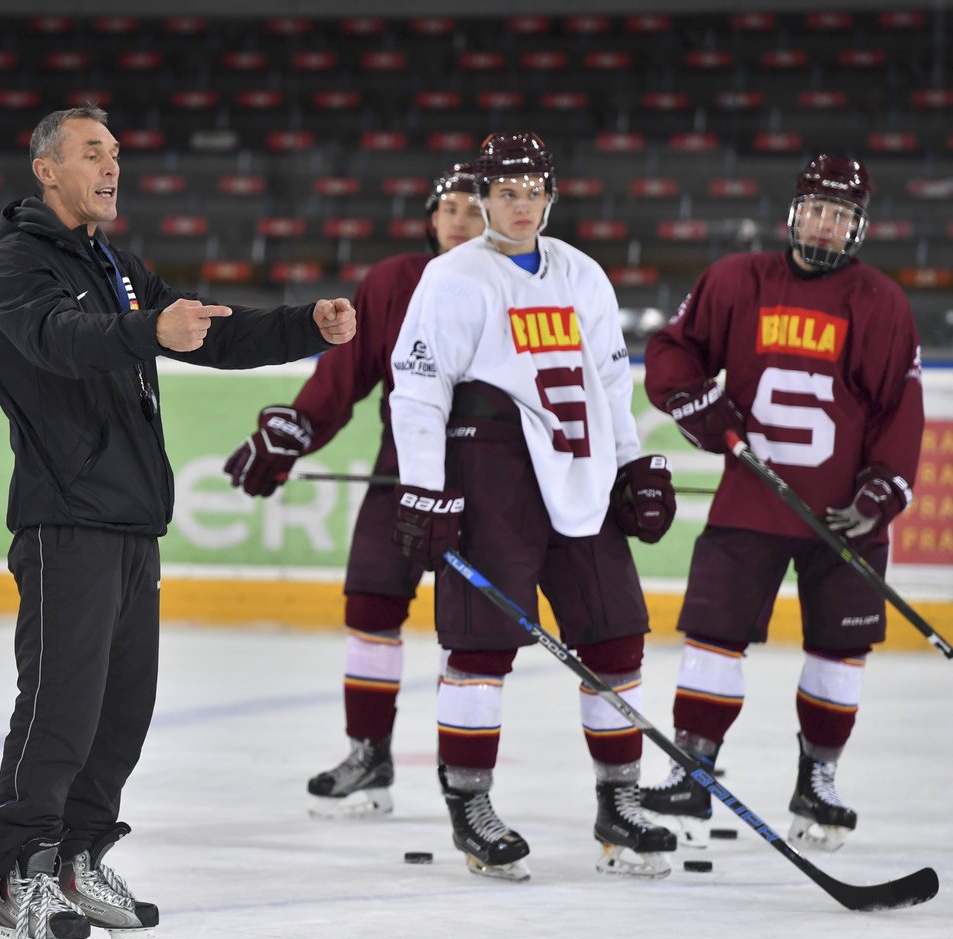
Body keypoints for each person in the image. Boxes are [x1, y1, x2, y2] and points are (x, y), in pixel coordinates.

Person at [0, 106, 355, 939]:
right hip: (65, 519)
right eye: (93, 153)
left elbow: (203, 329)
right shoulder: (12, 269)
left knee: (120, 715)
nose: (113, 166)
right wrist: (147, 329)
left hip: (131, 521)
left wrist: (306, 327)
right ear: (46, 170)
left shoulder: (113, 264)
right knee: (58, 713)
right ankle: (19, 882)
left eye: (117, 151)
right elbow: (62, 343)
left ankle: (76, 862)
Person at [388, 132, 679, 882]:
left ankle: (619, 802)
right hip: (491, 476)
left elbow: (611, 383)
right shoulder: (454, 277)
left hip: (581, 474)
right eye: (506, 193)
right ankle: (471, 808)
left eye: (533, 191)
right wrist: (425, 485)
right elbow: (419, 390)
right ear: (483, 198)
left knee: (616, 639)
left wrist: (634, 461)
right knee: (481, 647)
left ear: (552, 194)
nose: (521, 206)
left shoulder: (582, 273)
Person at [641, 154, 924, 852]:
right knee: (713, 638)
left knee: (839, 650)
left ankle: (818, 780)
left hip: (843, 515)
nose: (826, 227)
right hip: (752, 498)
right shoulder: (737, 279)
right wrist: (699, 404)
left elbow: (900, 410)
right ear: (795, 213)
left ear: (858, 228)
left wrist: (881, 489)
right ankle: (694, 770)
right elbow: (674, 351)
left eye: (842, 216)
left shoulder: (882, 302)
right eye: (818, 211)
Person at [223, 163, 483, 818]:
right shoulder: (393, 282)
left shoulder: (511, 286)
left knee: (475, 634)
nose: (460, 221)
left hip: (489, 483)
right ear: (430, 217)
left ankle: (470, 781)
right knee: (370, 607)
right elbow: (341, 379)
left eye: (475, 210)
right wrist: (294, 432)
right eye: (449, 207)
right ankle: (370, 755)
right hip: (402, 471)